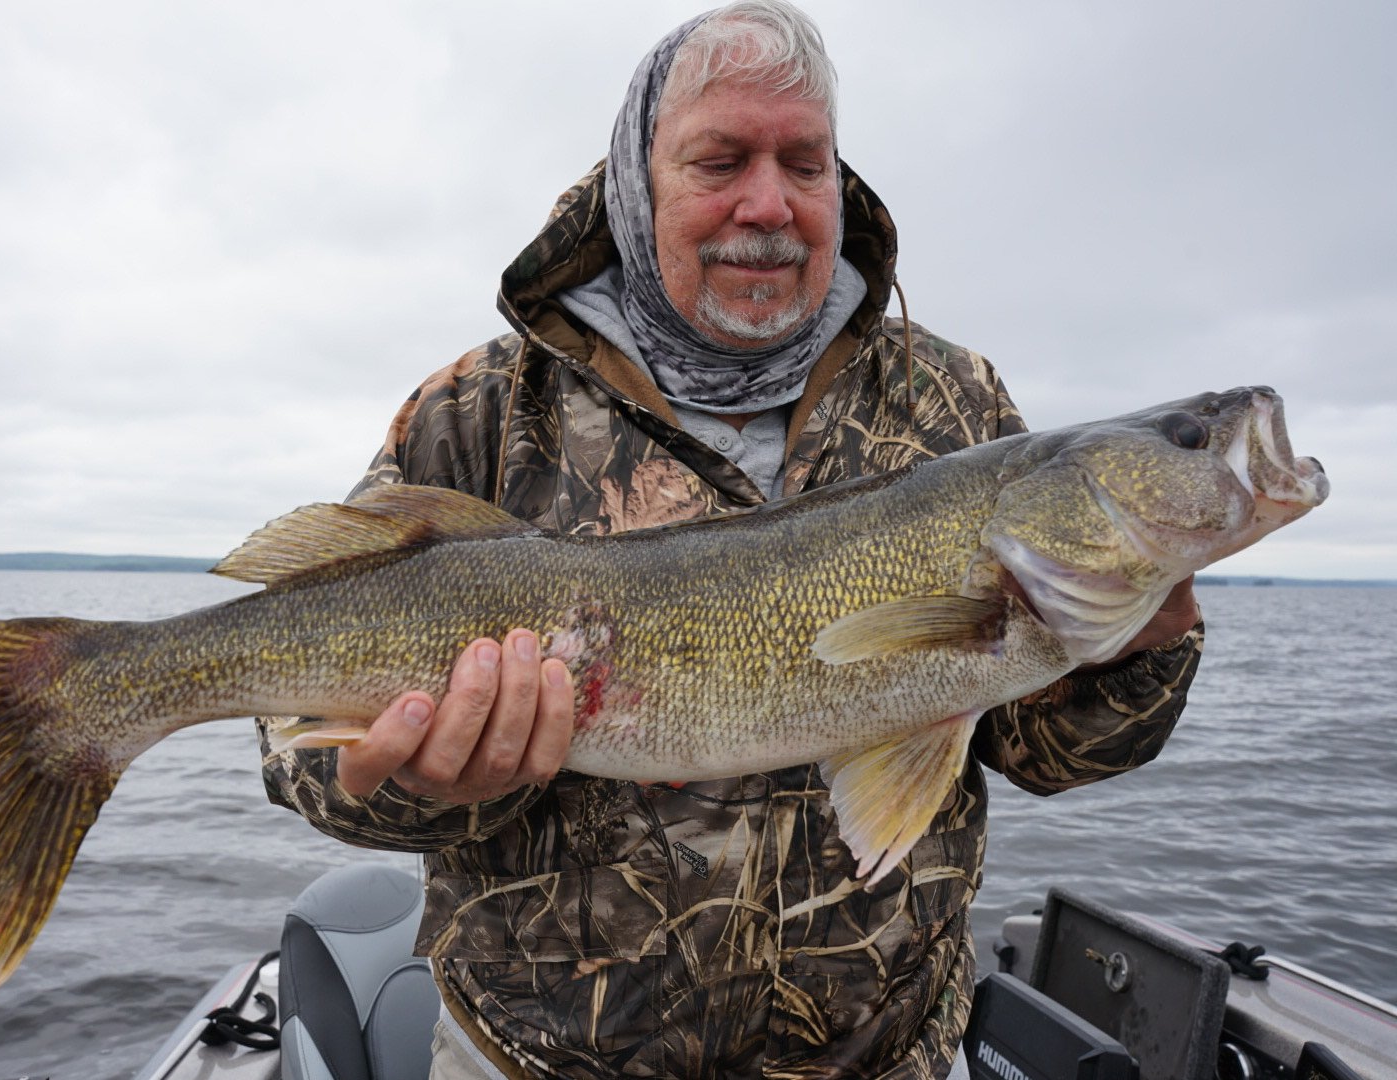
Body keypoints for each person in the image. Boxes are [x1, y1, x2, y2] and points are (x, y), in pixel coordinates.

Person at [258, 3, 1202, 1077]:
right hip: (533, 1059)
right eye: (719, 160)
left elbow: (1041, 753)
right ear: (633, 184)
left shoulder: (953, 404)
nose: (768, 202)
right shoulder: (476, 411)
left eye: (805, 163)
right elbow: (290, 733)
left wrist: (1134, 650)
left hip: (882, 1056)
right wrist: (408, 785)